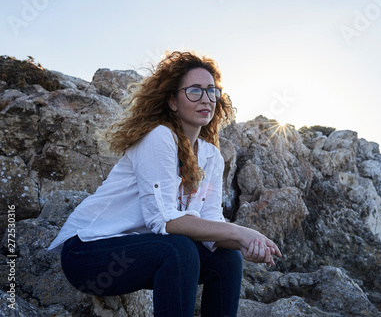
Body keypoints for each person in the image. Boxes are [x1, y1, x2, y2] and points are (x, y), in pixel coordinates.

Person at [48, 51, 282, 317]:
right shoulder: (159, 137)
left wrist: (246, 244)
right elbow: (164, 221)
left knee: (227, 259)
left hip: (143, 251)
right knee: (178, 248)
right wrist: (240, 232)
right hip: (89, 254)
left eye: (211, 91)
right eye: (194, 91)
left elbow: (211, 224)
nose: (206, 98)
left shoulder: (211, 156)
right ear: (172, 101)